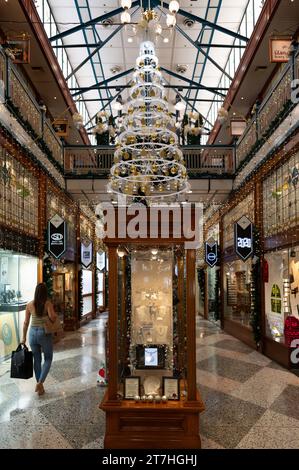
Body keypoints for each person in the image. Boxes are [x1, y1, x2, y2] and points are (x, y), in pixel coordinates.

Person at [22, 283, 57, 395]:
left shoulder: (29, 304)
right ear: (45, 292)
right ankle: (40, 383)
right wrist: (53, 315)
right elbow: (52, 317)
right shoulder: (47, 303)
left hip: (32, 333)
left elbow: (26, 322)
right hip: (44, 333)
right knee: (48, 358)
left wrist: (23, 337)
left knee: (37, 360)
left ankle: (39, 385)